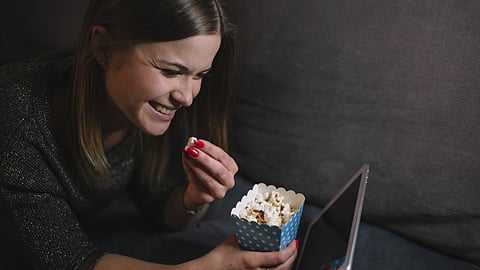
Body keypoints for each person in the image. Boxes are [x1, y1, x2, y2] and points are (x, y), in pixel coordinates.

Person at [0, 0, 298, 269]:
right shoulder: (17, 130)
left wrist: (195, 197)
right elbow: (72, 261)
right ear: (104, 47)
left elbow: (159, 207)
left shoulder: (147, 105)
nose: (187, 97)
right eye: (169, 71)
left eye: (200, 75)